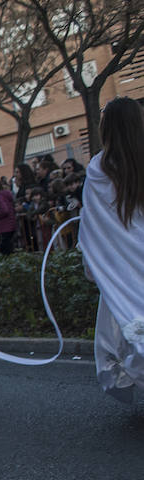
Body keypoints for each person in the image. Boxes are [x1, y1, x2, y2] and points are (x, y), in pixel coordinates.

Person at [80, 97, 144, 403]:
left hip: (119, 270)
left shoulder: (98, 169)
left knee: (122, 337)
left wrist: (94, 266)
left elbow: (92, 225)